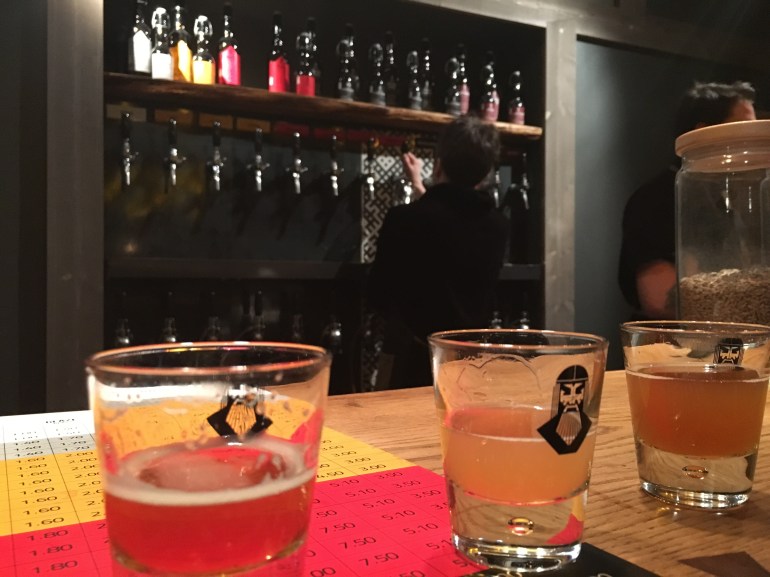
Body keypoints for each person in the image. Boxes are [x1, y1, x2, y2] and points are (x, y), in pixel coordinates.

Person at [367, 115, 508, 389]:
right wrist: (419, 185)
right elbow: (453, 217)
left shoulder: (403, 219)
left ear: (438, 164)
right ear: (485, 173)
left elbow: (378, 295)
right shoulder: (498, 226)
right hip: (470, 367)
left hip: (411, 366)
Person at [618, 81, 756, 320]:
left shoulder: (726, 198)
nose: (753, 141)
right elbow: (660, 302)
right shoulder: (656, 200)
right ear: (703, 133)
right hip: (676, 341)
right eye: (743, 129)